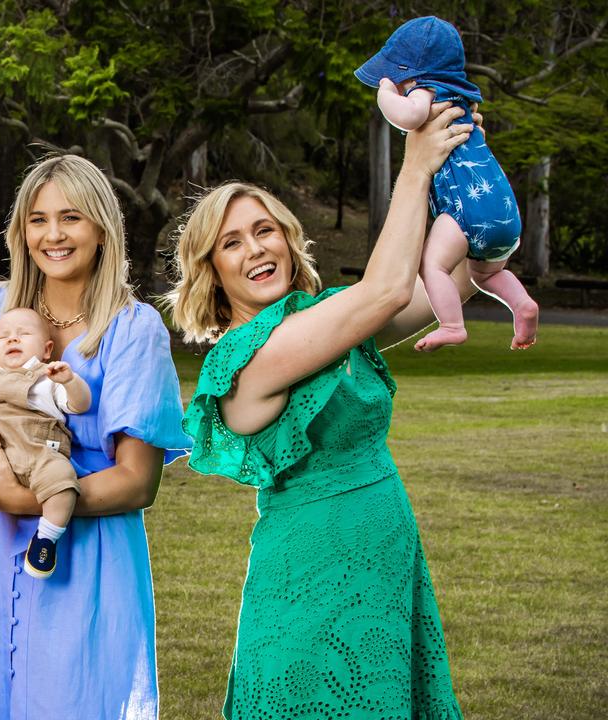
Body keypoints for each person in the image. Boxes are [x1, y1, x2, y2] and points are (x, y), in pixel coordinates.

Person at [167, 104, 476, 719]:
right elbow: (387, 290)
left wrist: (466, 166)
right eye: (231, 243)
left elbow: (454, 283)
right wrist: (413, 168)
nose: (255, 249)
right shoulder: (245, 360)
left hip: (385, 558)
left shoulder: (329, 319)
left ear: (287, 237)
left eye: (265, 230)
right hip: (308, 577)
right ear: (211, 271)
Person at [0, 154, 191, 718]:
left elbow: (136, 482)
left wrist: (21, 497)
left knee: (72, 698)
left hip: (86, 552)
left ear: (102, 228)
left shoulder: (132, 329)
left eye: (71, 218)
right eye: (37, 219)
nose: (53, 235)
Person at [356, 15, 538, 351]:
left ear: (408, 73)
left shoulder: (426, 89)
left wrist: (385, 95)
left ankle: (452, 325)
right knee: (484, 275)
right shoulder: (464, 98)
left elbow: (409, 115)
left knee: (432, 264)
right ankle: (523, 305)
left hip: (464, 207)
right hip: (501, 206)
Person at [0, 307, 91, 579]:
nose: (12, 339)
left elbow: (80, 404)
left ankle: (45, 540)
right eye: (3, 337)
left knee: (63, 482)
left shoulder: (48, 379)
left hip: (41, 450)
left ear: (47, 349)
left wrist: (70, 381)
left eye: (23, 334)